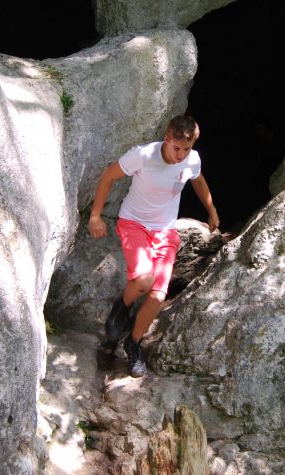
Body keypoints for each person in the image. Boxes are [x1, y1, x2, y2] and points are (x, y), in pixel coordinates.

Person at [88, 114, 219, 377]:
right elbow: (108, 177)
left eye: (187, 149)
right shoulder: (143, 155)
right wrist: (95, 215)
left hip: (165, 231)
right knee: (143, 281)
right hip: (134, 223)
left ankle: (133, 342)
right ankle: (121, 308)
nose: (181, 154)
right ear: (167, 138)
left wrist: (212, 210)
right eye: (177, 148)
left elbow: (199, 181)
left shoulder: (191, 160)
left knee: (158, 296)